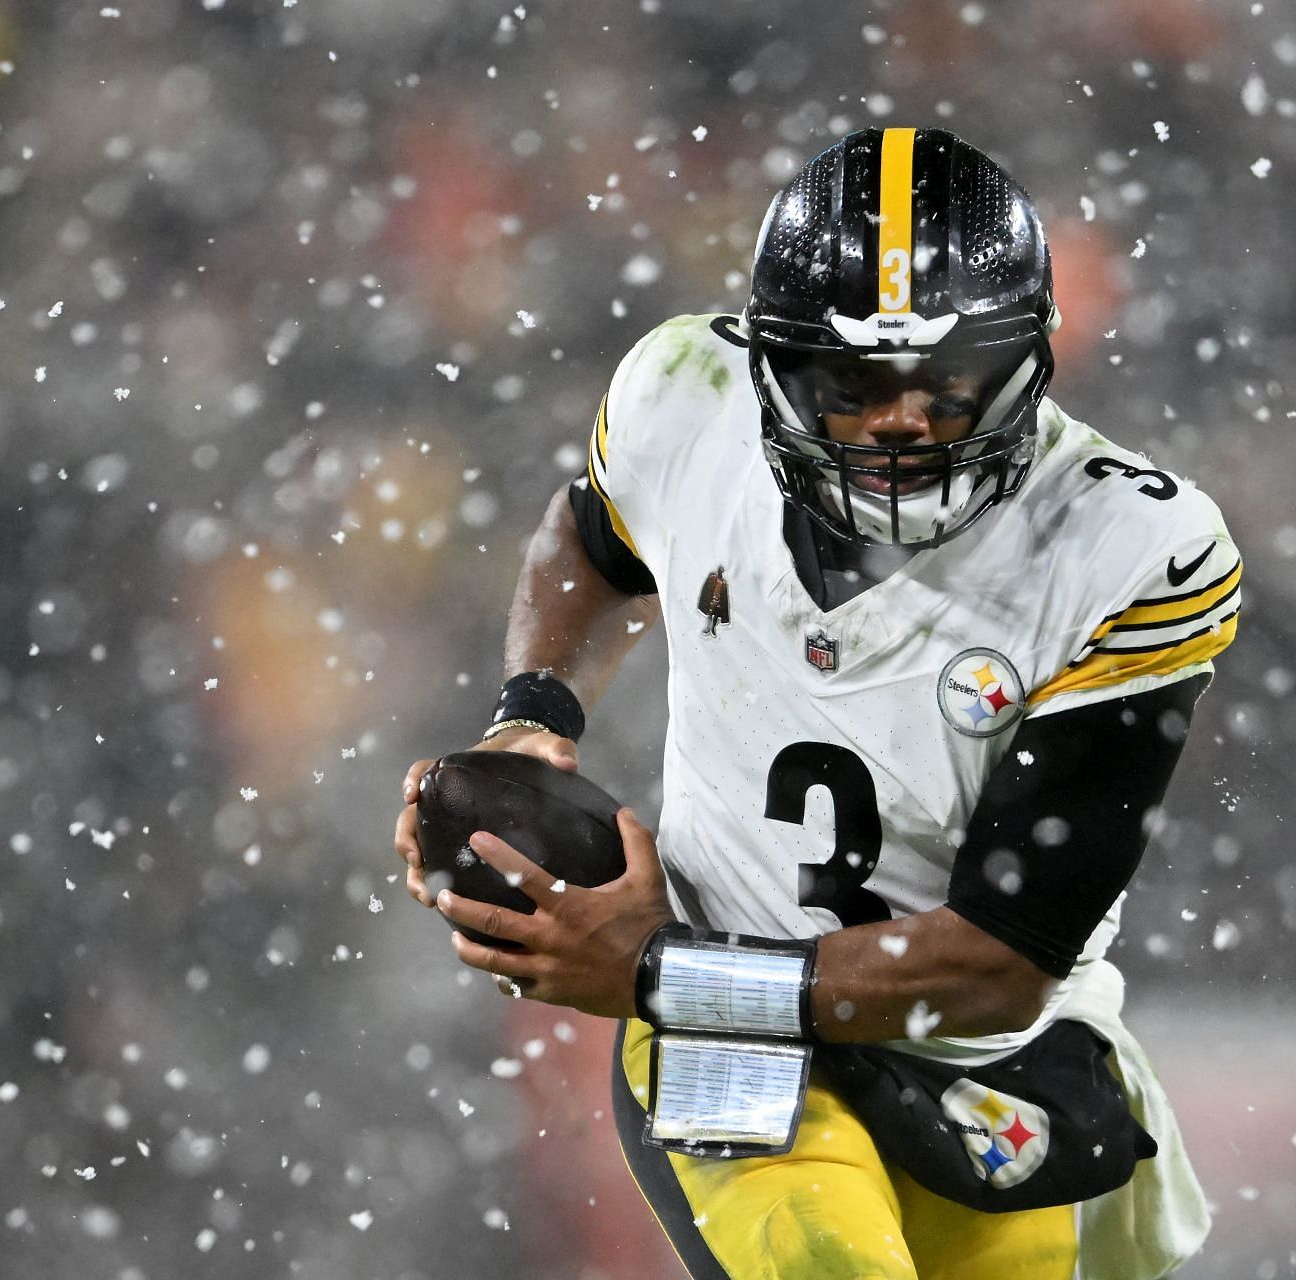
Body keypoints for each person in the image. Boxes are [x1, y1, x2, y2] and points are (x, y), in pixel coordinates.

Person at [393, 126, 1242, 1279]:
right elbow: (591, 538)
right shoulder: (686, 397)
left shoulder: (1131, 548)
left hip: (982, 1056)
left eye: (942, 389)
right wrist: (535, 706)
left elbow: (999, 959)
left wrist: (657, 970)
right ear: (772, 368)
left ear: (1028, 360)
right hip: (736, 1052)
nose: (896, 426)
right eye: (850, 388)